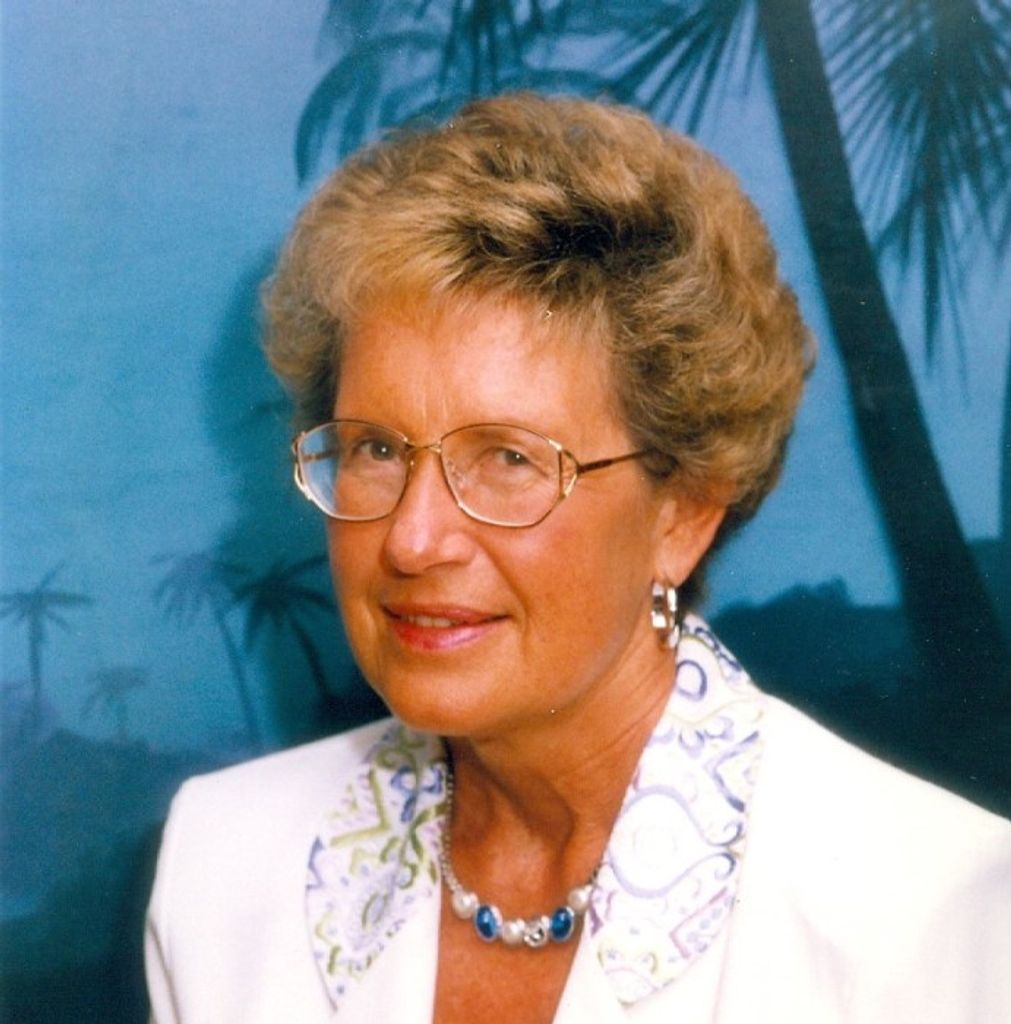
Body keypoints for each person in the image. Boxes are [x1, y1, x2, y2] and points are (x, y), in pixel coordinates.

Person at [145, 93, 1011, 1023]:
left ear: (682, 512)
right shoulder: (227, 867)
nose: (412, 538)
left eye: (510, 459)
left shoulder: (919, 913)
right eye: (376, 449)